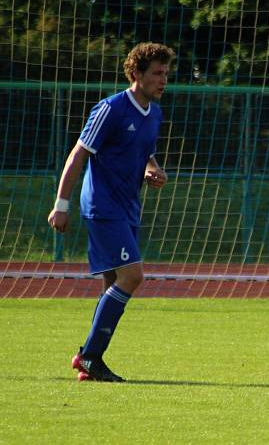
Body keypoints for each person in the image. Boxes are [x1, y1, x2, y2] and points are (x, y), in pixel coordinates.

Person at [48, 42, 175, 382]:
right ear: (136, 74)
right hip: (102, 206)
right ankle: (89, 357)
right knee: (133, 277)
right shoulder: (111, 109)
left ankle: (92, 362)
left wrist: (152, 169)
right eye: (156, 73)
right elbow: (78, 155)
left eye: (166, 74)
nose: (163, 80)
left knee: (112, 284)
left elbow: (144, 152)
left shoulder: (155, 113)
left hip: (128, 206)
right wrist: (62, 205)